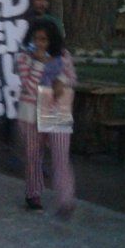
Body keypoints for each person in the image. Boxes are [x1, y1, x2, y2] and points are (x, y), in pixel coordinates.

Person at [17, 19, 77, 218]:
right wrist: (39, 64)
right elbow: (29, 86)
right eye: (36, 39)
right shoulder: (24, 57)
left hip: (55, 110)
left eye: (44, 39)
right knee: (33, 156)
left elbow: (71, 77)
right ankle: (33, 194)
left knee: (61, 156)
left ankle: (66, 199)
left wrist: (61, 81)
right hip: (30, 112)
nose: (40, 43)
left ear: (52, 40)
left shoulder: (63, 55)